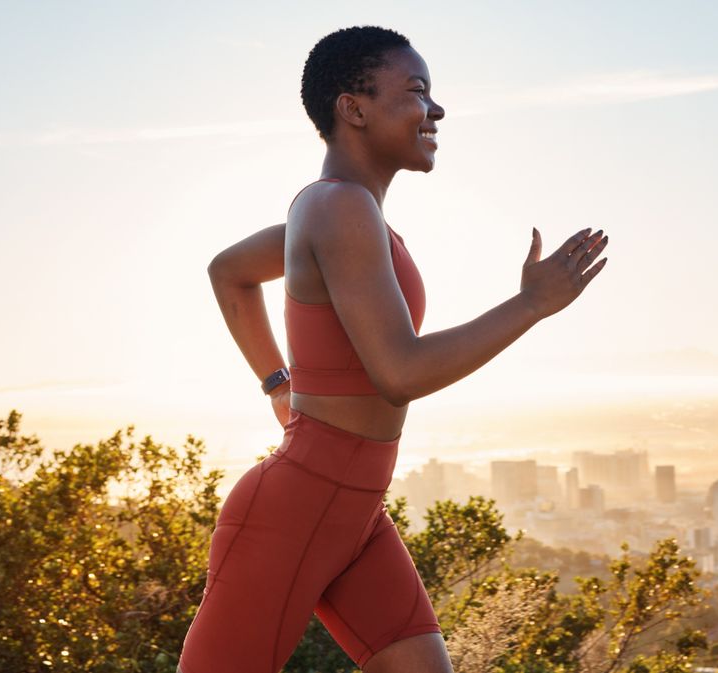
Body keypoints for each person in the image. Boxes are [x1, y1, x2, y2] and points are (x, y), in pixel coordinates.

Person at [177, 25, 608, 673]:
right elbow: (397, 371)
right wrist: (531, 305)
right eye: (416, 92)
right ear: (353, 107)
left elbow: (227, 271)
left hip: (355, 514)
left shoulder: (344, 215)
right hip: (295, 510)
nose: (435, 110)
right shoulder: (339, 207)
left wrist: (277, 384)